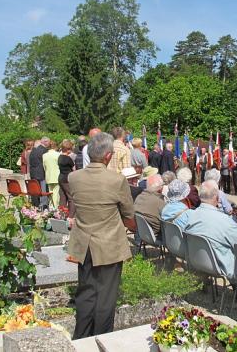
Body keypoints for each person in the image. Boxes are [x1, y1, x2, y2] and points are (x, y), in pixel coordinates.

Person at [67, 132, 136, 340]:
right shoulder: (117, 180)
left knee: (86, 292)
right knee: (106, 297)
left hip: (83, 243)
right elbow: (128, 214)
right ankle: (102, 339)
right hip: (108, 244)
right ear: (107, 156)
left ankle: (81, 338)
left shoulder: (74, 177)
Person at [184, 180, 237, 279]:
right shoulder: (226, 221)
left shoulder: (189, 216)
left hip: (197, 261)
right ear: (217, 198)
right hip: (221, 266)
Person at [29, 138, 50, 209]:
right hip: (41, 173)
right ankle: (44, 205)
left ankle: (35, 204)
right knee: (43, 190)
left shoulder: (32, 152)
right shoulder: (44, 151)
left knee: (36, 189)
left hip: (33, 173)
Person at [58, 140, 75, 217]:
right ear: (68, 149)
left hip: (60, 177)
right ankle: (71, 216)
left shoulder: (60, 157)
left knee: (62, 197)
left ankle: (61, 214)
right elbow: (74, 169)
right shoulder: (68, 159)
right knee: (71, 198)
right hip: (67, 179)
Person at [43, 141, 61, 208]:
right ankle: (56, 208)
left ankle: (51, 207)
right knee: (56, 194)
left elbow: (44, 167)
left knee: (50, 193)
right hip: (57, 176)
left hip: (48, 176)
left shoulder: (44, 155)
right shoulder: (58, 154)